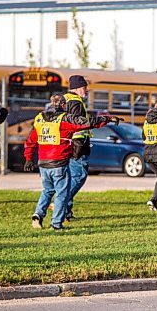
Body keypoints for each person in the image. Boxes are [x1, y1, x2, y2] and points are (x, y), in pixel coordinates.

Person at [24, 94, 116, 230]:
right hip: (59, 162)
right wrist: (106, 119)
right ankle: (56, 224)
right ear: (63, 105)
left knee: (47, 190)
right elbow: (87, 123)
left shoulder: (39, 119)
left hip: (43, 163)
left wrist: (28, 159)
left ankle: (38, 215)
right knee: (62, 193)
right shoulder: (65, 119)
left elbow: (31, 141)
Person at [63, 75, 96, 221]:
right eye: (84, 87)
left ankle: (66, 211)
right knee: (79, 176)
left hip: (68, 143)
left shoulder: (65, 99)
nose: (86, 90)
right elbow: (77, 124)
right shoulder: (75, 103)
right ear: (77, 88)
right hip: (78, 145)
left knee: (70, 177)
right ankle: (62, 201)